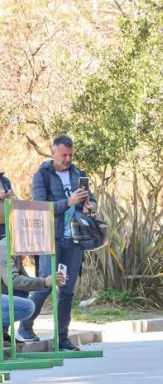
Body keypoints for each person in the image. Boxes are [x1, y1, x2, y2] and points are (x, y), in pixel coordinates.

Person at [17, 135, 97, 351]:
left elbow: (92, 199)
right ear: (53, 152)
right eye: (64, 155)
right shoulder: (42, 175)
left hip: (75, 239)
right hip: (50, 239)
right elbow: (40, 207)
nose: (68, 159)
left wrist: (90, 205)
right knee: (45, 284)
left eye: (71, 155)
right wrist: (68, 202)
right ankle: (25, 325)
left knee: (67, 291)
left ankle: (62, 338)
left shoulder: (78, 174)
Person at [1, 232, 66, 344]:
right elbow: (13, 280)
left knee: (22, 293)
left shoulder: (14, 247)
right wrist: (45, 282)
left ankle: (2, 333)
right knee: (28, 307)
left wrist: (51, 281)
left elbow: (24, 280)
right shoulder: (4, 247)